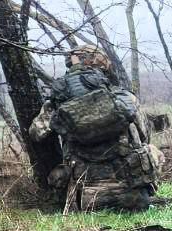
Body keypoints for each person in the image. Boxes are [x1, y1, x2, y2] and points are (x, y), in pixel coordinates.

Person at [29, 45, 163, 212]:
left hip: (84, 200)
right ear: (101, 66)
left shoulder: (57, 104)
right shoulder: (123, 97)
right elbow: (144, 136)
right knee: (153, 150)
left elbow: (36, 134)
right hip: (132, 196)